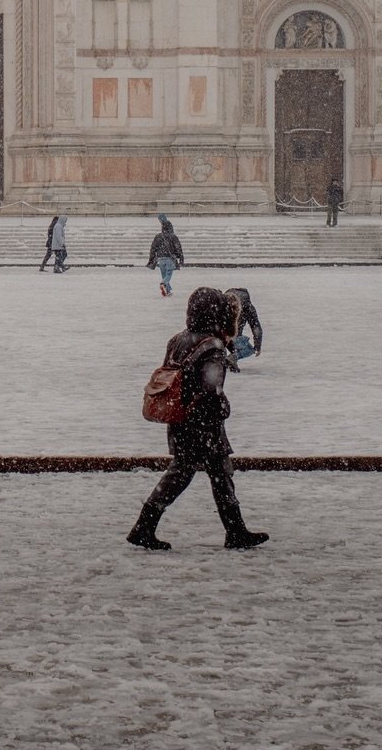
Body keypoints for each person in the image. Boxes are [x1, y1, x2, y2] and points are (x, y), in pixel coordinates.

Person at [126, 285, 269, 552]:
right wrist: (223, 407)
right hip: (204, 424)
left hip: (179, 418)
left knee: (212, 473)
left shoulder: (178, 339)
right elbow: (211, 389)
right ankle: (144, 526)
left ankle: (234, 530)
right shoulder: (212, 345)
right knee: (195, 474)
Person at [147, 214, 185, 296]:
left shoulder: (158, 236)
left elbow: (153, 248)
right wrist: (181, 259)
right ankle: (163, 284)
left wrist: (151, 259)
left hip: (160, 259)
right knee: (168, 274)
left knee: (164, 275)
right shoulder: (173, 237)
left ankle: (167, 290)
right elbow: (178, 248)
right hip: (169, 259)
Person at [224, 285, 263, 362]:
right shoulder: (248, 306)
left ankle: (222, 359)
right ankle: (232, 358)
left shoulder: (223, 300)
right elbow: (256, 327)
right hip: (234, 336)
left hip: (218, 334)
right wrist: (257, 347)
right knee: (249, 350)